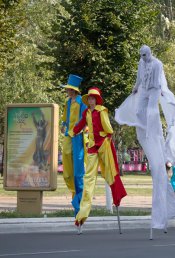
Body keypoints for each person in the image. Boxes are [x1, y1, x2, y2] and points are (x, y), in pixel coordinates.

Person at [115, 45, 175, 238]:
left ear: (150, 53)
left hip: (154, 91)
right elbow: (138, 78)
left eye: (145, 55)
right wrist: (136, 88)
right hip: (143, 90)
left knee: (151, 112)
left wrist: (160, 93)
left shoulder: (158, 64)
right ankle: (145, 129)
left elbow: (160, 83)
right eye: (141, 55)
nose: (143, 58)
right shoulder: (141, 64)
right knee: (138, 111)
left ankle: (152, 131)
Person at [71, 87, 127, 229]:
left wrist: (106, 141)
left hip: (103, 145)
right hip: (92, 148)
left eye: (93, 98)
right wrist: (71, 132)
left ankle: (117, 198)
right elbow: (80, 125)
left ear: (97, 100)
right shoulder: (87, 112)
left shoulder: (102, 111)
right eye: (89, 98)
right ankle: (82, 214)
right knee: (88, 178)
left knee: (110, 173)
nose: (91, 100)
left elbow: (109, 130)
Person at [60, 74, 87, 216]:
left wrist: (84, 130)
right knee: (65, 156)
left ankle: (79, 201)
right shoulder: (68, 102)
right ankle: (74, 192)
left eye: (69, 89)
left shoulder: (82, 102)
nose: (67, 92)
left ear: (74, 90)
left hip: (78, 137)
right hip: (68, 136)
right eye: (67, 90)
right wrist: (62, 124)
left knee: (78, 169)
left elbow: (85, 118)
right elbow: (65, 117)